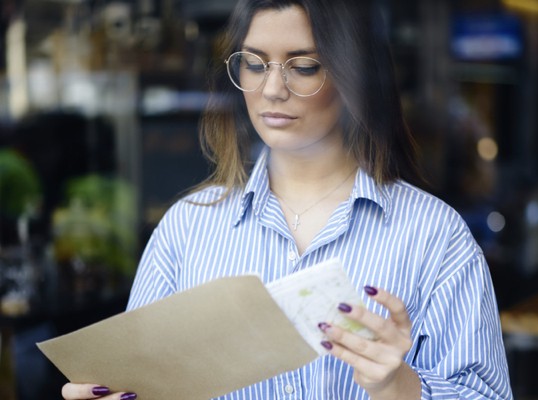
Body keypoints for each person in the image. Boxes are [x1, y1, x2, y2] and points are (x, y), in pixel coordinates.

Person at [61, 0, 512, 399]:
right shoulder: (187, 229)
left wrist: (398, 387)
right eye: (255, 65)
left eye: (304, 66)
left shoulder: (434, 235)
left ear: (353, 75)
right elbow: (138, 382)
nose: (274, 89)